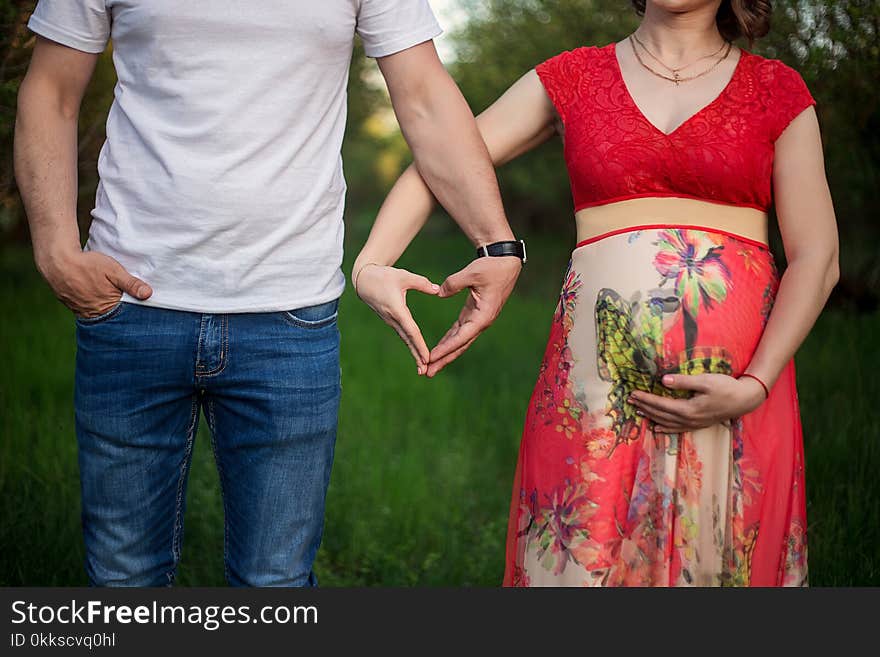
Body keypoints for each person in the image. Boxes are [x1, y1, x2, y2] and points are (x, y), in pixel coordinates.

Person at [14, 0, 522, 587]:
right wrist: (54, 248)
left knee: (274, 583)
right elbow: (50, 88)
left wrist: (496, 244)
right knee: (123, 577)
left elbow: (425, 96)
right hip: (129, 308)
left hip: (289, 318)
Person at [354, 0, 839, 586]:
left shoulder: (776, 90)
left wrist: (754, 384)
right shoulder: (574, 76)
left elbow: (818, 257)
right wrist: (373, 261)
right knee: (584, 569)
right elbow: (440, 157)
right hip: (592, 396)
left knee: (719, 565)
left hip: (735, 391)